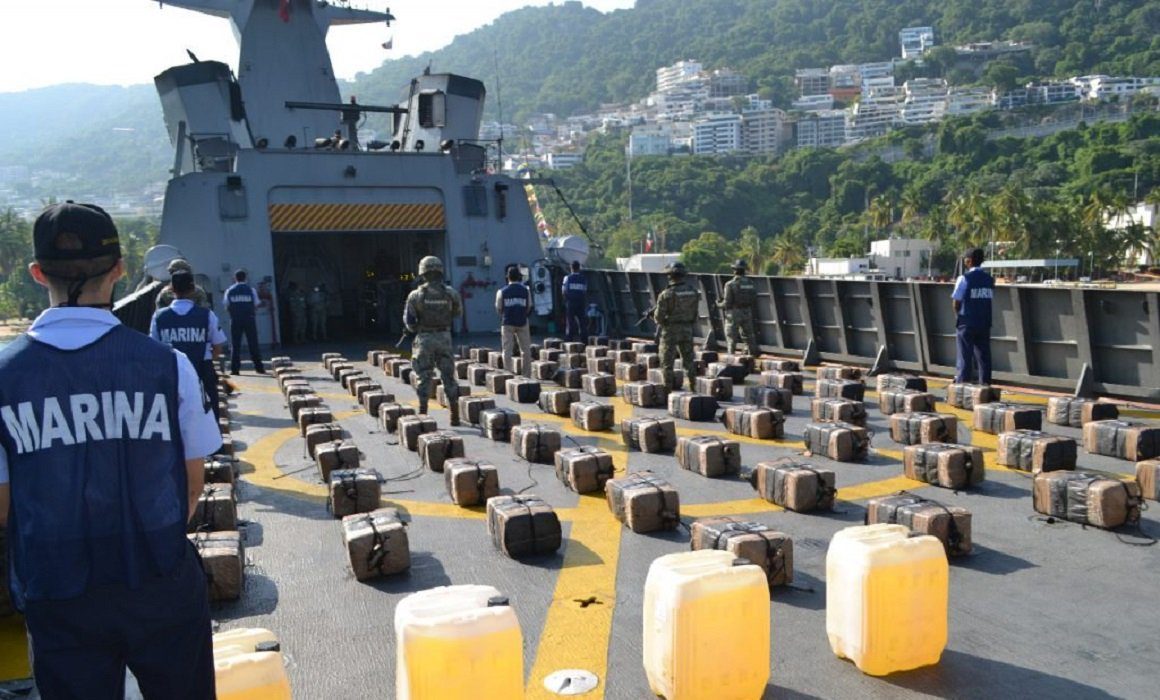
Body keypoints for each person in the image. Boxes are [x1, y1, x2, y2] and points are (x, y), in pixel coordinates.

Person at [0, 201, 220, 699]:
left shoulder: (5, 377)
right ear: (120, 269)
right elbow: (191, 484)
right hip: (158, 578)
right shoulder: (169, 367)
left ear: (37, 273)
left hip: (57, 589)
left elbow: (4, 505)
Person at [150, 269, 227, 419]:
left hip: (171, 373)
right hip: (202, 370)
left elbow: (154, 349)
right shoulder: (206, 314)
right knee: (209, 413)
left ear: (171, 289)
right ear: (193, 289)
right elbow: (218, 347)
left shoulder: (159, 317)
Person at [404, 256, 463, 424]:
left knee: (424, 377)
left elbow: (409, 322)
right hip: (444, 338)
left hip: (424, 339)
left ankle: (423, 414)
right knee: (448, 377)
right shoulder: (451, 293)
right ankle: (454, 414)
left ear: (422, 273)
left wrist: (417, 329)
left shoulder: (415, 295)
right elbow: (458, 314)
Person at [654, 261, 700, 391]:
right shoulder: (693, 291)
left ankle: (667, 390)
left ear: (669, 276)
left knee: (667, 362)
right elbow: (695, 313)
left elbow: (659, 318)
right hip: (687, 329)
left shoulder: (666, 294)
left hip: (670, 331)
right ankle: (693, 387)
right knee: (688, 360)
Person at [952, 247, 995, 384]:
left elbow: (956, 301)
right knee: (984, 358)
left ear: (969, 261)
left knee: (964, 357)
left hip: (967, 322)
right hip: (984, 322)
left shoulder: (964, 278)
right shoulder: (989, 279)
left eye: (965, 259)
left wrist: (958, 316)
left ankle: (962, 388)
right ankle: (985, 387)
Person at [224, 269, 265, 375]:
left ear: (235, 278)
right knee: (253, 344)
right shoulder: (251, 290)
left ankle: (235, 369)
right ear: (245, 278)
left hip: (235, 320)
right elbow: (256, 304)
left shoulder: (229, 290)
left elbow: (227, 305)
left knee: (235, 345)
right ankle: (259, 368)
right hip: (249, 319)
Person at [496, 266, 533, 378]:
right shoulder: (526, 290)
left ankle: (508, 375)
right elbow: (529, 306)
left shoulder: (501, 291)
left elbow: (498, 308)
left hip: (507, 323)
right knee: (525, 350)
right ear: (519, 277)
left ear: (508, 278)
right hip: (522, 322)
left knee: (507, 350)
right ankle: (526, 375)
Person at [719, 259, 758, 355]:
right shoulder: (751, 283)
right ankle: (752, 355)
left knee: (731, 336)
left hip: (734, 313)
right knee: (749, 335)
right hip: (747, 311)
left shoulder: (730, 284)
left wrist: (719, 304)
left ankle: (731, 355)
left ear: (734, 270)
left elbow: (727, 302)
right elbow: (754, 298)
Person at [561, 260, 588, 343]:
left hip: (570, 302)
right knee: (582, 322)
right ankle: (584, 340)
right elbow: (584, 291)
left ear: (571, 268)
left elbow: (563, 291)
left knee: (570, 322)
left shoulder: (567, 278)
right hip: (581, 303)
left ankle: (569, 339)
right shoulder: (583, 279)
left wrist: (566, 301)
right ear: (579, 268)